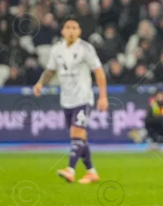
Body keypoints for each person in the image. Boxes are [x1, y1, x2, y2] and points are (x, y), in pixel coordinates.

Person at [33, 16, 108, 184]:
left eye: (75, 28)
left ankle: (70, 170)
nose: (71, 31)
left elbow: (98, 71)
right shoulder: (57, 50)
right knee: (80, 137)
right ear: (63, 31)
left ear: (79, 31)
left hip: (83, 98)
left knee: (76, 133)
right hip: (66, 100)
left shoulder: (85, 48)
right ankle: (91, 172)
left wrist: (103, 96)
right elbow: (50, 70)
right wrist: (40, 83)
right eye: (68, 27)